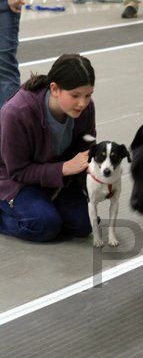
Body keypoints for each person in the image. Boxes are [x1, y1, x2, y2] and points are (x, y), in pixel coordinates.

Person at [0, 54, 96, 242]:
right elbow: (17, 171)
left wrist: (98, 177)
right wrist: (62, 169)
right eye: (75, 95)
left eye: (88, 95)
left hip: (55, 177)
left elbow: (85, 151)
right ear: (55, 89)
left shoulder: (85, 108)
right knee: (45, 225)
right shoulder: (17, 112)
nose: (83, 103)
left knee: (84, 224)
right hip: (13, 179)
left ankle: (43, 207)